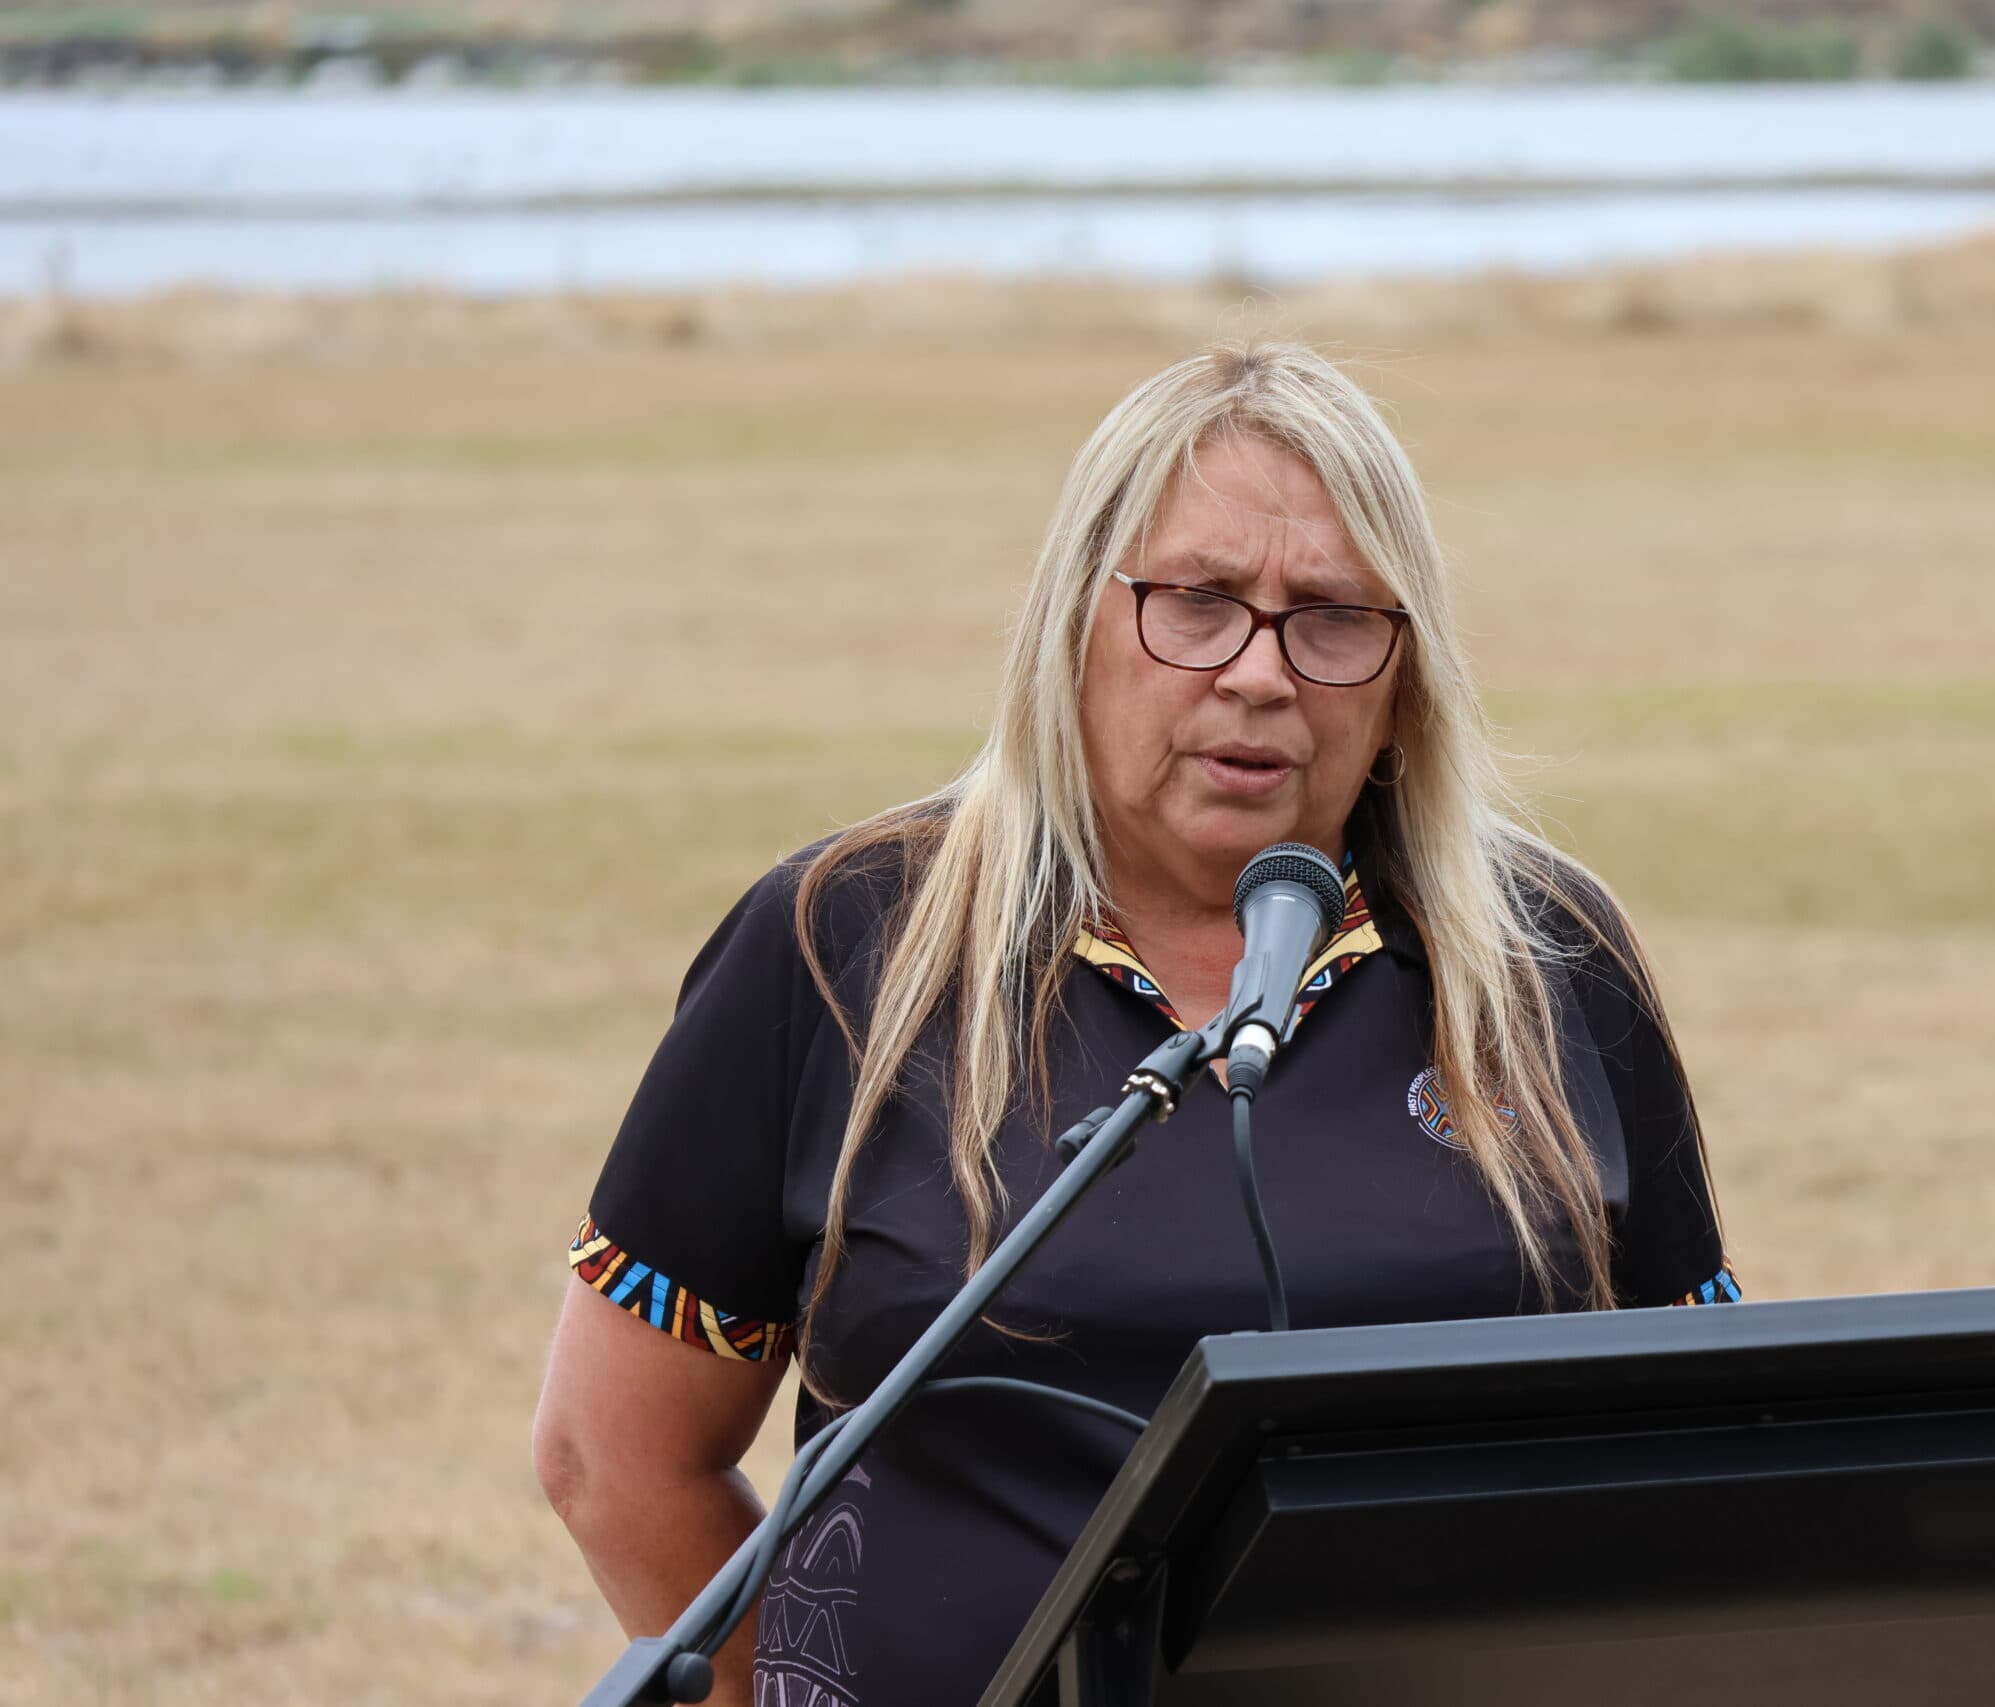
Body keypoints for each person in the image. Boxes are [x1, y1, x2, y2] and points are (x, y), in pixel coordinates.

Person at [531, 341, 1735, 1707]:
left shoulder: (1547, 957)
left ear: (1407, 677)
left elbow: (1704, 1449)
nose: (1261, 671)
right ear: (1075, 624)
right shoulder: (838, 941)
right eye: (1199, 600)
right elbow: (614, 1454)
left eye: (1334, 616)